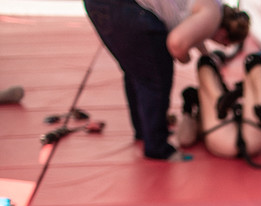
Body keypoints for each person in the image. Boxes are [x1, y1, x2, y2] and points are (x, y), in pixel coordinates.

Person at [82, 0, 250, 160]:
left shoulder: (213, 6)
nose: (220, 44)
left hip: (101, 5)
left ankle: (145, 130)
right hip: (125, 9)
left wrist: (209, 60)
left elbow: (196, 35)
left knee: (137, 70)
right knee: (156, 75)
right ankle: (157, 147)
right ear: (225, 34)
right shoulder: (213, 17)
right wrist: (186, 58)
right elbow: (176, 44)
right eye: (224, 43)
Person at [175, 51, 261, 164]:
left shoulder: (203, 95)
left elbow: (185, 140)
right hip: (252, 137)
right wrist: (188, 110)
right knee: (253, 61)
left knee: (206, 65)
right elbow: (185, 139)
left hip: (222, 136)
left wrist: (187, 110)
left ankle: (221, 100)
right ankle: (259, 105)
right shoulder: (200, 95)